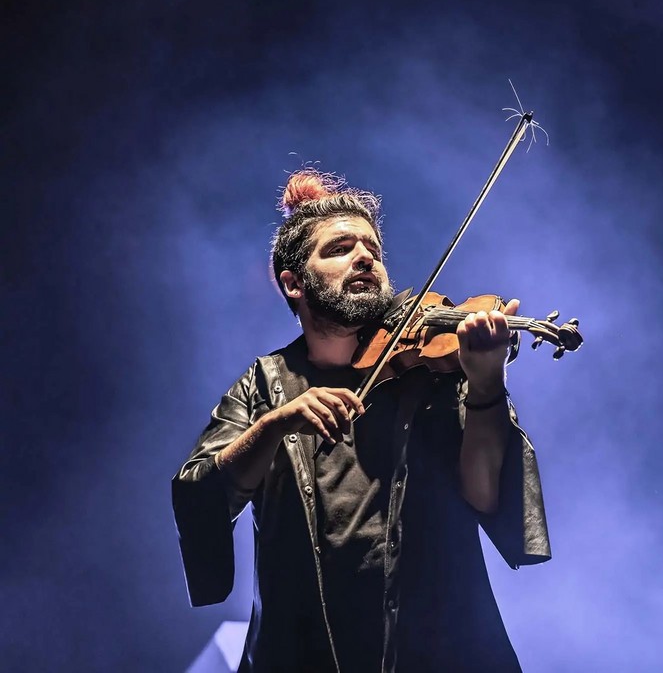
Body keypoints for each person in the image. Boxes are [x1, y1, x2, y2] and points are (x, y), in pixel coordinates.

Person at [172, 170, 551, 672]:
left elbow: (487, 496)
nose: (365, 257)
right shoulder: (265, 384)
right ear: (293, 284)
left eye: (372, 247)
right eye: (340, 248)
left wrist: (486, 385)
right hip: (302, 653)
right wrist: (275, 424)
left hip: (435, 648)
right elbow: (201, 495)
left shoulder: (434, 374)